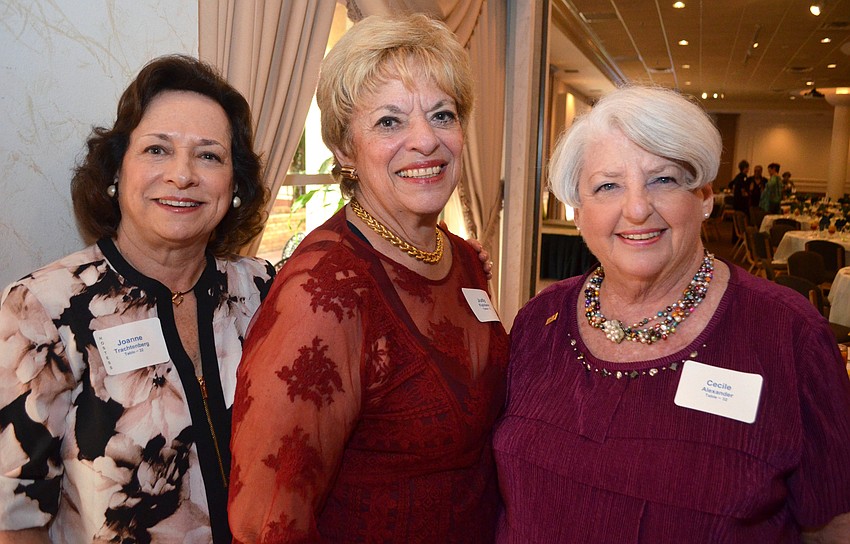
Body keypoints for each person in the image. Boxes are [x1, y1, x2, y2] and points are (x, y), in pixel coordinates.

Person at [493, 86, 850, 542]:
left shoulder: (789, 334)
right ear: (579, 213)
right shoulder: (538, 322)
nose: (638, 208)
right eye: (608, 186)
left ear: (704, 196)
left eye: (662, 180)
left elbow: (833, 526)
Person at [227, 14, 508, 543]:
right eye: (389, 122)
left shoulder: (466, 259)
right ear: (344, 149)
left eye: (442, 114)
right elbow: (266, 521)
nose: (425, 141)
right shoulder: (326, 290)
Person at [0, 55, 275, 543]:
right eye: (156, 150)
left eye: (209, 155)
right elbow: (13, 522)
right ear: (116, 170)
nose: (182, 175)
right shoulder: (41, 310)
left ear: (235, 185)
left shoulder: (263, 292)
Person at [727, 159, 749, 242]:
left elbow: (730, 184)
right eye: (747, 168)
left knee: (736, 220)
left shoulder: (737, 176)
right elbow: (743, 189)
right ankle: (740, 238)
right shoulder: (744, 177)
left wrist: (734, 190)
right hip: (741, 202)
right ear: (745, 168)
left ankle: (735, 238)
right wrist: (745, 194)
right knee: (741, 219)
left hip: (736, 201)